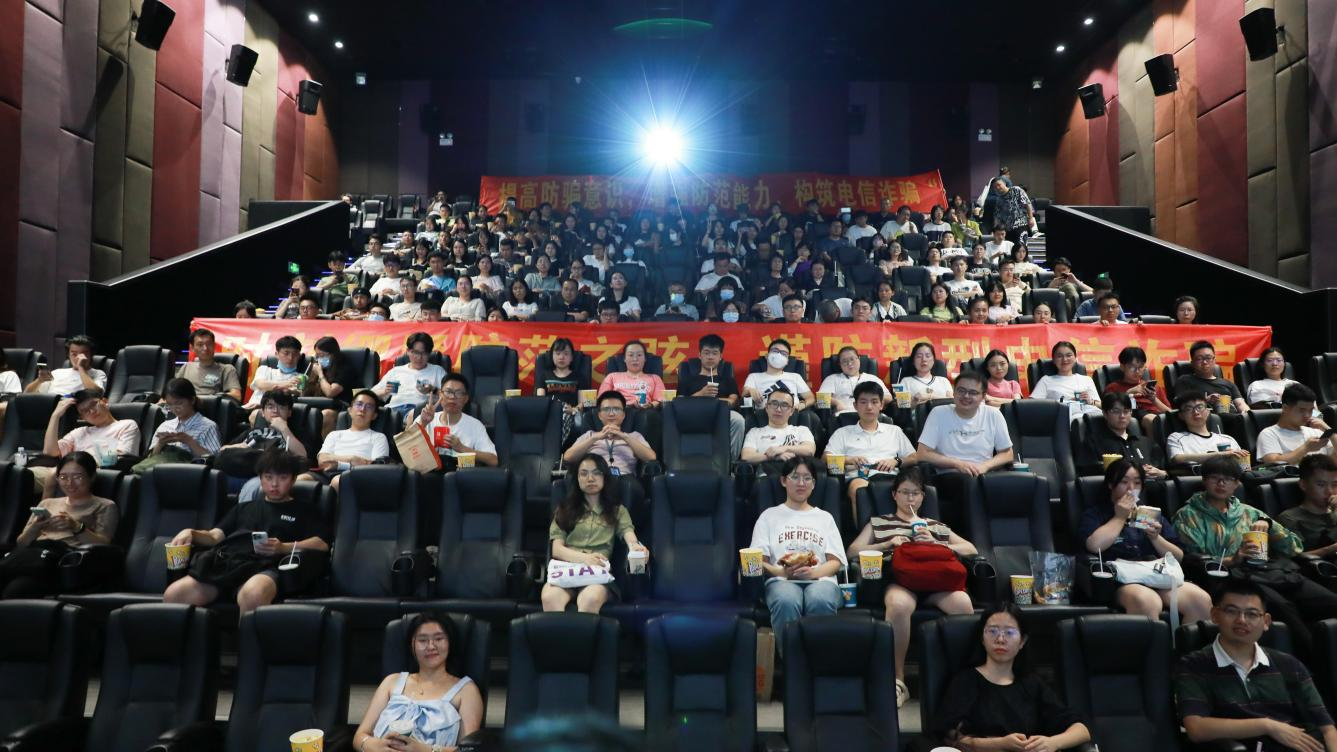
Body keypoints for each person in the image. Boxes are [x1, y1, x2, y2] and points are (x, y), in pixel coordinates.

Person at [1173, 457, 1337, 656]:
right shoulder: (1188, 515)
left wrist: (1269, 525)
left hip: (1269, 571)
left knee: (1330, 601)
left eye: (1228, 479)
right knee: (1282, 607)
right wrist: (1232, 560)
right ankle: (1317, 660)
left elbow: (1294, 547)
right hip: (1230, 578)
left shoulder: (1249, 512)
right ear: (1204, 481)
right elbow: (1192, 561)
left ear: (1237, 484)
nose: (1221, 483)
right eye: (1215, 478)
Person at [846, 467, 972, 708]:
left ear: (923, 497)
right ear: (894, 495)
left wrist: (938, 543)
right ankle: (898, 680)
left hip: (935, 583)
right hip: (901, 582)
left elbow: (970, 548)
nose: (910, 498)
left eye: (915, 493)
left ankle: (958, 678)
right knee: (899, 605)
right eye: (905, 492)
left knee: (963, 603)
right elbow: (852, 551)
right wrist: (887, 543)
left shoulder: (934, 525)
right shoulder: (880, 522)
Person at [1174, 580, 1337, 752]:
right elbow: (1196, 728)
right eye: (1231, 611)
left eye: (1251, 614)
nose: (1241, 620)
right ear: (1214, 615)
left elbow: (1327, 728)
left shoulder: (1289, 664)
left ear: (1266, 621)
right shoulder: (1193, 665)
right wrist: (1266, 726)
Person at [164, 450, 331, 614]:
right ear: (260, 478)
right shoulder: (243, 508)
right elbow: (215, 536)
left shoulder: (305, 510)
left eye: (282, 478)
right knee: (175, 594)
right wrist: (191, 532)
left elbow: (322, 544)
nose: (274, 484)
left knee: (253, 594)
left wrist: (283, 547)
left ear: (293, 479)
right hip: (229, 564)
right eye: (268, 477)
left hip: (268, 567)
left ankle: (247, 633)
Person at [922, 604, 1091, 752]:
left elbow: (1082, 730)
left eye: (1009, 632)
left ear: (1022, 641)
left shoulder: (1032, 684)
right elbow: (946, 737)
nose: (1000, 639)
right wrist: (1000, 744)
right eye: (993, 631)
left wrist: (1052, 742)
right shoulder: (965, 680)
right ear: (982, 638)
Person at [1080, 459, 1211, 621]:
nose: (1131, 489)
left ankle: (1186, 638)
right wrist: (1119, 517)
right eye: (1124, 482)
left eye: (1137, 483)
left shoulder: (1149, 514)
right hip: (1121, 579)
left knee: (1200, 600)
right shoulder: (1096, 514)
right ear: (1110, 485)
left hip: (1157, 575)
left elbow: (1178, 557)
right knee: (1147, 601)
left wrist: (1155, 538)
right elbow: (1094, 546)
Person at [750, 456, 846, 656]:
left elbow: (835, 562)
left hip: (821, 580)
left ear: (814, 484)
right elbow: (758, 561)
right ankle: (792, 662)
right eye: (795, 477)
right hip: (781, 580)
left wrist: (813, 573)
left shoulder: (825, 518)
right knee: (786, 600)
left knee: (819, 600)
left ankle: (819, 663)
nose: (801, 483)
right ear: (784, 481)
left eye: (807, 478)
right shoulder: (769, 516)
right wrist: (782, 572)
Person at [352, 612, 484, 752]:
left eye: (439, 639)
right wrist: (372, 745)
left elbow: (468, 750)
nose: (431, 646)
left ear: (450, 643)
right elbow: (359, 736)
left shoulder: (466, 690)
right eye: (422, 640)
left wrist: (425, 750)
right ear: (412, 645)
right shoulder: (391, 682)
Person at [1, 451, 118, 597]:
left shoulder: (105, 505)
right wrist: (36, 527)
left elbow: (104, 546)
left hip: (64, 563)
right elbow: (22, 543)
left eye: (77, 477)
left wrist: (76, 527)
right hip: (33, 558)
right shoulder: (47, 503)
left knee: (16, 590)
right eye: (63, 477)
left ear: (92, 477)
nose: (70, 483)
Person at [542, 454, 648, 614]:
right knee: (550, 597)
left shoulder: (617, 511)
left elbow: (629, 536)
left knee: (590, 599)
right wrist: (585, 559)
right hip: (567, 570)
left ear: (604, 477)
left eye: (596, 473)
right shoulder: (564, 510)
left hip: (597, 575)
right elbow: (557, 549)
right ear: (577, 479)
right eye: (584, 474)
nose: (590, 478)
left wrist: (637, 548)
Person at [825, 382, 917, 514]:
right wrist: (848, 460)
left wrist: (896, 461)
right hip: (860, 478)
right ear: (855, 405)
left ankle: (906, 524)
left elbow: (914, 457)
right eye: (863, 402)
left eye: (874, 402)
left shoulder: (894, 431)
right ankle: (868, 527)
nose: (869, 407)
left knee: (911, 488)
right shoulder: (842, 433)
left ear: (881, 405)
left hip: (891, 476)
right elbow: (825, 459)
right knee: (860, 490)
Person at [33, 388, 140, 497]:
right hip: (62, 471)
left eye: (93, 404)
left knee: (52, 475)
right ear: (82, 417)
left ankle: (44, 507)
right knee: (25, 475)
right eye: (84, 411)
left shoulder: (126, 425)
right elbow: (49, 451)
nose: (92, 411)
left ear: (104, 401)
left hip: (92, 474)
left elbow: (123, 457)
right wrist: (55, 416)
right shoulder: (79, 432)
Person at [916, 370, 1014, 477]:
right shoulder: (938, 413)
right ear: (954, 392)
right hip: (949, 475)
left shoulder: (993, 414)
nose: (966, 396)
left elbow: (1007, 454)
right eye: (961, 390)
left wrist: (985, 466)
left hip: (983, 475)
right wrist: (958, 464)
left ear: (983, 396)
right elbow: (922, 454)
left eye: (973, 392)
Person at [301, 390, 389, 491]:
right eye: (359, 404)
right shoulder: (334, 434)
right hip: (326, 474)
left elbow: (376, 468)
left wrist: (339, 465)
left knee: (338, 481)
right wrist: (352, 459)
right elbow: (323, 460)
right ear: (350, 410)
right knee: (301, 479)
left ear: (374, 415)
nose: (362, 409)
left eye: (369, 407)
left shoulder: (379, 437)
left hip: (357, 475)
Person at [678, 334, 744, 458]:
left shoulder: (727, 380)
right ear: (700, 355)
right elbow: (680, 403)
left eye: (714, 353)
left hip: (721, 414)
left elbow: (733, 401)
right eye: (706, 353)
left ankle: (730, 461)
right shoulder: (687, 379)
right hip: (694, 414)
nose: (710, 357)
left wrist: (714, 400)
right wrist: (701, 394)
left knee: (738, 420)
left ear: (720, 356)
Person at [562, 392, 655, 477]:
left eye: (616, 409)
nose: (611, 414)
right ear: (599, 415)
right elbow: (568, 458)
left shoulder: (634, 436)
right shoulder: (589, 435)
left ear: (623, 415)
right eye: (606, 409)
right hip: (595, 478)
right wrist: (595, 438)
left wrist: (624, 437)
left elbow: (651, 458)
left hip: (624, 480)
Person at [414, 373, 498, 467]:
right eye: (448, 392)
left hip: (460, 474)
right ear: (440, 394)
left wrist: (462, 448)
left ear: (466, 399)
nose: (452, 397)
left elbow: (494, 460)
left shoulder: (475, 425)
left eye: (459, 393)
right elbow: (405, 448)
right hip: (428, 473)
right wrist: (423, 424)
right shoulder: (424, 419)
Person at [1077, 393, 1168, 477]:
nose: (1122, 416)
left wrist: (1163, 474)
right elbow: (1087, 471)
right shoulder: (1094, 442)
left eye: (1126, 411)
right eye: (1116, 411)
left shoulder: (1146, 442)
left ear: (1131, 413)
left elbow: (1167, 469)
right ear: (1105, 413)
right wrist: (1135, 472)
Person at [139, 378, 221, 468]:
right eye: (169, 404)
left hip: (189, 472)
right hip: (159, 470)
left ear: (192, 400)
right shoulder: (165, 426)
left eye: (179, 403)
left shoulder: (208, 426)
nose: (174, 408)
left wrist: (189, 441)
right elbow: (150, 459)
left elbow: (214, 461)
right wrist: (160, 443)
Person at [1256, 384, 1336, 465]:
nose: (1307, 415)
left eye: (1311, 410)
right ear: (1285, 408)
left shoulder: (1316, 432)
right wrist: (1305, 448)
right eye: (1302, 410)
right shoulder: (1269, 434)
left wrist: (1330, 432)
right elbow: (1272, 463)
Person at [374, 333, 449, 418]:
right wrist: (385, 391)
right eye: (415, 352)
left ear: (429, 353)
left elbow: (450, 395)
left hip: (419, 411)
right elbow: (371, 394)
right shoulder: (396, 371)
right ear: (408, 351)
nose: (419, 357)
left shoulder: (437, 371)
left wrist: (433, 390)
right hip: (394, 411)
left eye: (424, 353)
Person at [1166, 392, 1249, 467]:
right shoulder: (1176, 438)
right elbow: (1177, 459)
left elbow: (1243, 466)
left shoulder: (1227, 439)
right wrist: (1221, 455)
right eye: (1189, 409)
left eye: (1200, 407)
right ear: (1181, 416)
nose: (1196, 412)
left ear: (1207, 412)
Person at [1277, 454, 1337, 558]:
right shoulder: (1290, 518)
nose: (1330, 491)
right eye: (1321, 485)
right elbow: (1295, 558)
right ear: (1303, 485)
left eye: (1335, 485)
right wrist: (1332, 549)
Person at [740, 386, 816, 466]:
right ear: (766, 407)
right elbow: (746, 457)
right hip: (765, 472)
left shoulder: (802, 430)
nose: (778, 409)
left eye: (784, 405)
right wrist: (772, 457)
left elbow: (810, 451)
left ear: (791, 411)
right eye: (774, 404)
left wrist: (783, 448)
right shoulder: (754, 432)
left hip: (795, 472)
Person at [1102, 346, 1169, 435]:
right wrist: (1128, 393)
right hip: (1138, 417)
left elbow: (1170, 412)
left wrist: (1154, 399)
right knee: (1151, 419)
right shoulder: (1113, 388)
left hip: (1159, 417)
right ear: (1122, 367)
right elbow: (1108, 410)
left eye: (1141, 367)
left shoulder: (1154, 387)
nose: (1137, 371)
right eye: (1132, 367)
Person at [1029, 341, 1102, 421]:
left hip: (1090, 416)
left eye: (1069, 355)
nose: (1065, 359)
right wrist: (1066, 402)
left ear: (1075, 358)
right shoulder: (1046, 380)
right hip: (1063, 418)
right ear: (1054, 360)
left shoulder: (1087, 379)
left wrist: (1091, 402)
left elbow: (1102, 406)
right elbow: (1032, 405)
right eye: (1060, 356)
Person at [1175, 341, 1250, 414]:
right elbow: (1181, 404)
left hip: (1231, 418)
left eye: (1208, 358)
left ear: (1214, 360)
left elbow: (1240, 404)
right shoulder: (1184, 381)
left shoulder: (1228, 384)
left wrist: (1248, 414)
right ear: (1192, 363)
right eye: (1199, 359)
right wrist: (1205, 401)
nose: (1204, 362)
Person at [243, 336, 311, 415]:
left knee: (256, 414)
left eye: (295, 354)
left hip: (275, 413)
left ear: (299, 356)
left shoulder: (301, 378)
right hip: (248, 409)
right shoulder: (264, 370)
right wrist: (287, 384)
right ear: (277, 354)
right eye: (286, 353)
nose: (290, 358)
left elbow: (298, 394)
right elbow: (261, 385)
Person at [742, 339, 813, 410]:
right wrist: (750, 390)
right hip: (764, 414)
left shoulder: (795, 377)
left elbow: (810, 398)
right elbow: (744, 393)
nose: (779, 355)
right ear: (767, 356)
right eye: (775, 351)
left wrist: (802, 405)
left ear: (787, 361)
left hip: (792, 413)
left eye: (784, 353)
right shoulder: (754, 376)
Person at [817, 347, 889, 414]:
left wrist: (872, 401)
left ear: (859, 359)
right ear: (839, 364)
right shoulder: (832, 379)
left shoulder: (872, 378)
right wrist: (836, 402)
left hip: (870, 414)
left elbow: (889, 398)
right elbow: (820, 400)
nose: (849, 363)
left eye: (852, 359)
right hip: (844, 415)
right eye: (844, 361)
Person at [25, 335, 105, 395]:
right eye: (74, 354)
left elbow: (96, 394)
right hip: (49, 405)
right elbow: (26, 395)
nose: (78, 358)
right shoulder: (57, 373)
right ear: (68, 355)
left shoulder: (98, 374)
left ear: (91, 355)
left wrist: (81, 368)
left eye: (82, 354)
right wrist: (39, 380)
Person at [176, 328, 242, 401]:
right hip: (186, 406)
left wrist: (215, 397)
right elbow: (173, 391)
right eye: (200, 345)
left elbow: (237, 396)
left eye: (209, 344)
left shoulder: (227, 369)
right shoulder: (186, 367)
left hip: (211, 406)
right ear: (192, 348)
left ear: (214, 346)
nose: (205, 348)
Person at [598, 341, 665, 408]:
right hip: (618, 410)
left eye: (639, 355)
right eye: (630, 355)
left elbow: (661, 401)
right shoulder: (612, 377)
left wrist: (650, 405)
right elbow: (601, 399)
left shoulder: (655, 378)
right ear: (624, 358)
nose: (635, 359)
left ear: (645, 358)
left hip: (644, 410)